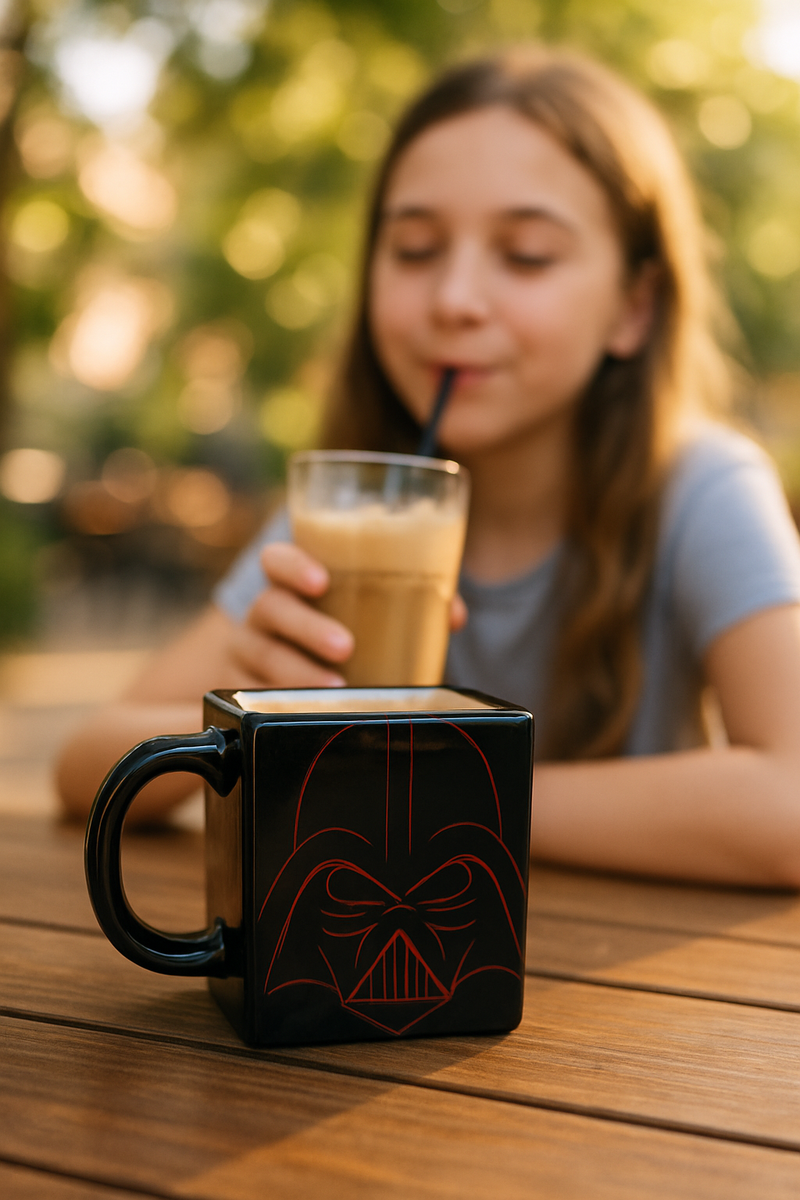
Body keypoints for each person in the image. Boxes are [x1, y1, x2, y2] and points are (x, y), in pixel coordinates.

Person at [57, 47, 800, 886]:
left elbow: (791, 807)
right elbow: (86, 766)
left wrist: (433, 796)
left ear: (634, 307)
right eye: (414, 249)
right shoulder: (349, 511)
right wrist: (238, 702)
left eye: (526, 255)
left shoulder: (703, 489)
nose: (454, 300)